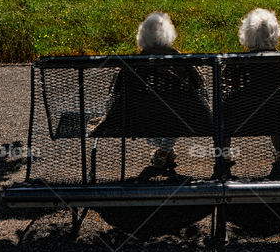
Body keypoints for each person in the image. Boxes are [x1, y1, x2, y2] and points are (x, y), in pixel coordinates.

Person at [90, 11, 213, 176]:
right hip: (180, 119)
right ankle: (164, 152)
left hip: (140, 119)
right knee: (175, 113)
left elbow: (115, 97)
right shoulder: (183, 64)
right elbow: (200, 92)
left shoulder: (132, 66)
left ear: (142, 37)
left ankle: (162, 152)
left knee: (147, 115)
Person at [221, 8, 280, 179]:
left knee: (225, 106)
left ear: (246, 35)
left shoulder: (236, 62)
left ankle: (224, 153)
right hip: (278, 116)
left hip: (243, 117)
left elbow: (226, 88)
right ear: (275, 34)